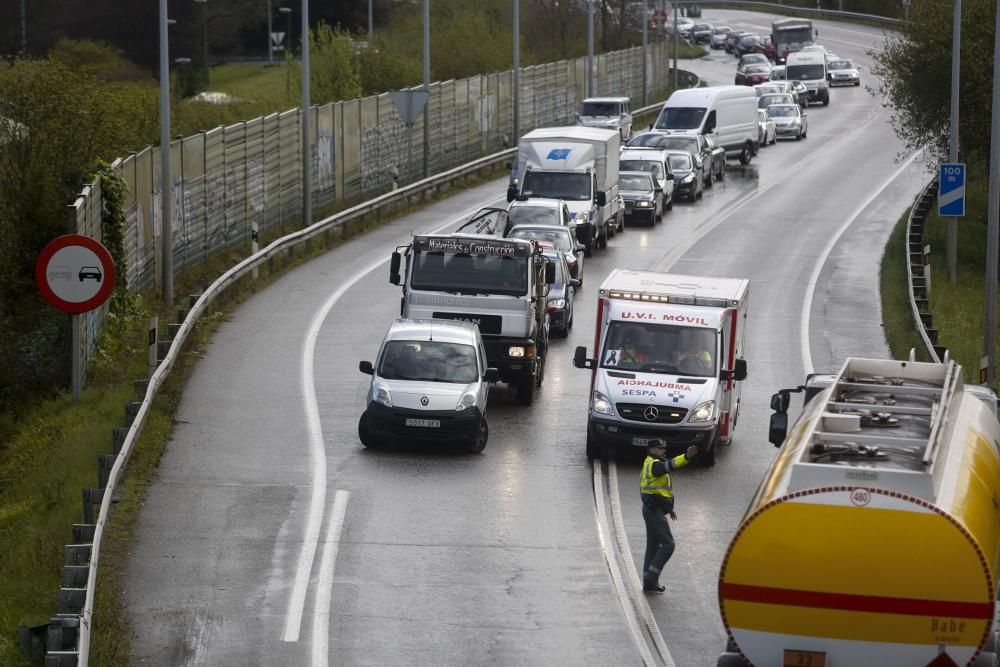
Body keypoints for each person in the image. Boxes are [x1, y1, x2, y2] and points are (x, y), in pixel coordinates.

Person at [640, 440, 699, 593]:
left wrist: (669, 509)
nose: (664, 451)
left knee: (653, 545)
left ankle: (648, 581)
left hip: (652, 508)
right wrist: (686, 457)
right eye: (661, 449)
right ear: (652, 450)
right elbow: (670, 465)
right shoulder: (654, 464)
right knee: (668, 545)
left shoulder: (651, 463)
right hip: (654, 510)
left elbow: (659, 492)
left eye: (664, 448)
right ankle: (651, 578)